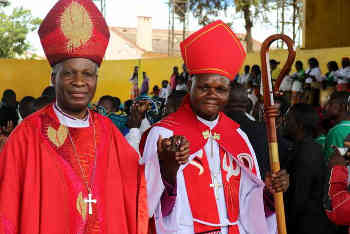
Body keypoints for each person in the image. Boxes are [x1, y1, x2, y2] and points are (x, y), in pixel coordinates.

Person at [0, 1, 148, 233]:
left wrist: (166, 166)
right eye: (68, 73)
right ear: (53, 78)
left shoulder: (108, 132)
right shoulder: (27, 135)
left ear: (96, 79)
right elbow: (7, 206)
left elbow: (137, 185)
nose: (79, 82)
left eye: (88, 74)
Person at [141, 20, 286, 234]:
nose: (212, 95)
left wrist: (269, 194)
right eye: (204, 87)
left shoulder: (237, 136)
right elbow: (149, 207)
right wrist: (168, 171)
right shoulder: (164, 134)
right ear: (190, 86)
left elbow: (248, 205)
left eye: (220, 89)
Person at [283, 104, 335, 234]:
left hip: (306, 225)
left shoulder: (305, 152)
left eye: (288, 119)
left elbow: (298, 197)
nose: (284, 121)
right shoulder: (311, 147)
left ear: (299, 125)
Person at [324, 91, 350, 161]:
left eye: (330, 104)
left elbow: (330, 164)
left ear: (341, 106)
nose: (325, 107)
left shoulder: (336, 131)